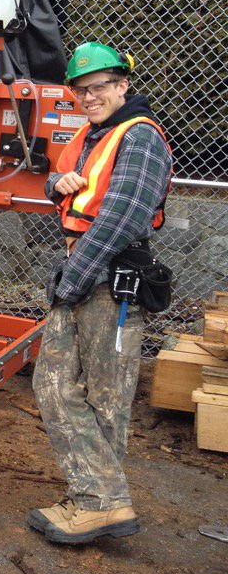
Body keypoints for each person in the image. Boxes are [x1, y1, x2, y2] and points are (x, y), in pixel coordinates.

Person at [29, 41, 173, 544]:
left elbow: (123, 217)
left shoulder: (140, 137)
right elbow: (66, 187)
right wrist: (56, 184)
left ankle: (98, 503)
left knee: (106, 398)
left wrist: (73, 278)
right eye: (81, 90)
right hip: (82, 272)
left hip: (111, 284)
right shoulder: (94, 136)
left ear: (122, 85)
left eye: (100, 87)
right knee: (52, 384)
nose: (90, 97)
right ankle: (98, 497)